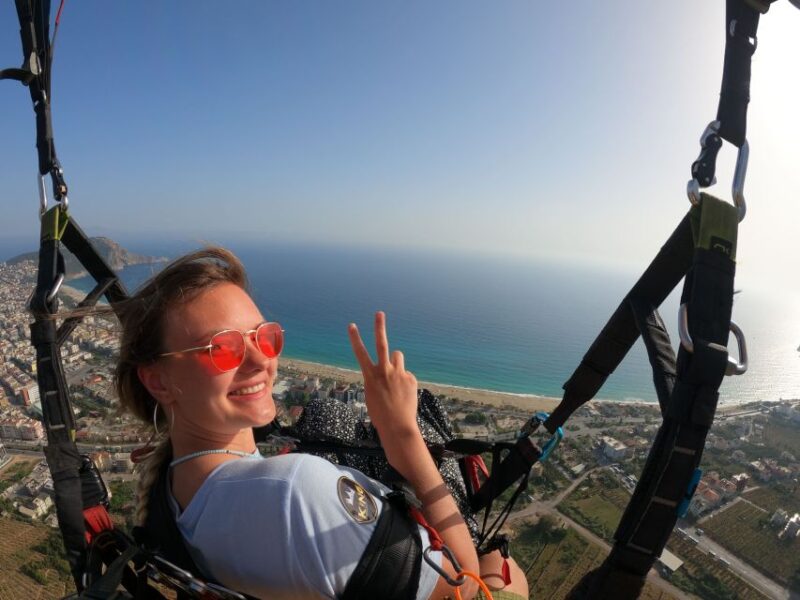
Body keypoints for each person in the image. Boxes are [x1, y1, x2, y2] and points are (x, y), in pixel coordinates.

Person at [116, 246, 528, 600]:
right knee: (506, 567)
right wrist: (402, 433)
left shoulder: (172, 485)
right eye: (222, 348)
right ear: (157, 380)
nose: (261, 360)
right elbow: (461, 584)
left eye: (265, 336)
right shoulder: (293, 492)